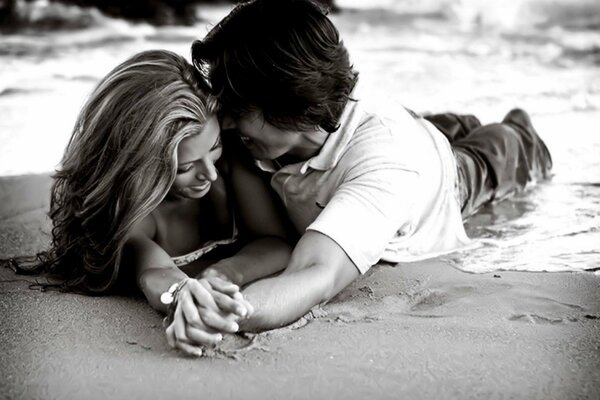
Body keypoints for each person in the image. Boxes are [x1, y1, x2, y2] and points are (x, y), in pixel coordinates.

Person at [175, 0, 553, 354]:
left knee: (499, 147)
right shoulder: (262, 131)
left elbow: (315, 273)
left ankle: (517, 127)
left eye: (237, 106)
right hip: (386, 125)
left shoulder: (388, 164)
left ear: (288, 102)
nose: (222, 119)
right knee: (433, 124)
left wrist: (231, 312)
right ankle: (454, 122)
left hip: (448, 173)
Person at [2, 49, 293, 356]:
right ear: (139, 165)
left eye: (215, 145)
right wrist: (181, 293)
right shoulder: (134, 216)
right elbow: (152, 272)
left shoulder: (231, 164)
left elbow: (276, 242)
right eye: (185, 167)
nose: (209, 173)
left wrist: (222, 274)